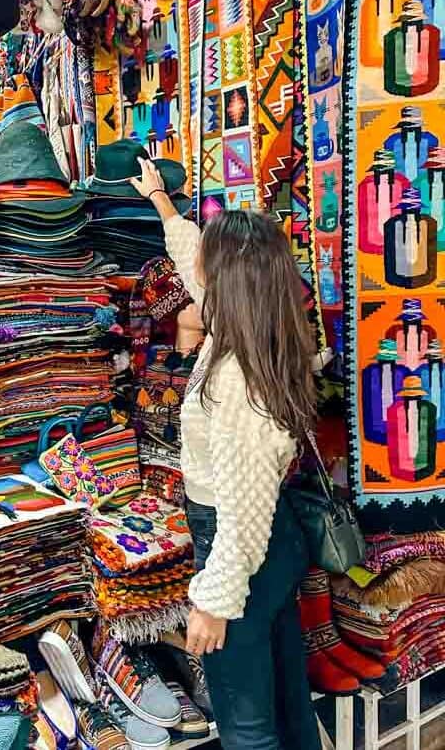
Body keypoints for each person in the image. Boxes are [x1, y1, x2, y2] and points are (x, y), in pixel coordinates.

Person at [131, 158, 322, 750]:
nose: (196, 277)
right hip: (274, 544)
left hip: (241, 548)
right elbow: (194, 261)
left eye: (209, 270)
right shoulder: (261, 335)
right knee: (288, 697)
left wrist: (213, 601)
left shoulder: (236, 379)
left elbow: (243, 515)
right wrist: (163, 203)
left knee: (245, 724)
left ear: (228, 284)